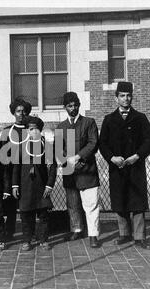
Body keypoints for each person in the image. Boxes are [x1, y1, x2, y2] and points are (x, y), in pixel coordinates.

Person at [99, 81, 150, 250]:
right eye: (122, 96)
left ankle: (140, 237)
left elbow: (148, 141)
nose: (126, 99)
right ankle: (124, 234)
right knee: (120, 199)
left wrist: (137, 156)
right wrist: (111, 157)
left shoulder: (140, 118)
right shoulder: (109, 120)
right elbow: (103, 144)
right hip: (117, 168)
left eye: (128, 95)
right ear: (116, 98)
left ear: (132, 97)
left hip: (136, 167)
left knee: (137, 201)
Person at [55, 92, 101, 248]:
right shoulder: (61, 127)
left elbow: (93, 143)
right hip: (70, 171)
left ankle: (93, 234)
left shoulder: (89, 123)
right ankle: (77, 229)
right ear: (65, 107)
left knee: (91, 204)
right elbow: (58, 149)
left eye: (75, 105)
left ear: (79, 105)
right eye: (69, 106)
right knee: (72, 203)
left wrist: (78, 157)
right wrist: (66, 161)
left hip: (87, 169)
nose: (73, 108)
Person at [12, 116, 57, 251]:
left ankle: (43, 239)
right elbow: (16, 168)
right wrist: (15, 185)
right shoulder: (20, 147)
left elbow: (53, 167)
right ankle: (27, 240)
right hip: (25, 185)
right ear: (27, 131)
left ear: (40, 131)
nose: (34, 132)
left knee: (43, 214)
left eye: (36, 129)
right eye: (31, 129)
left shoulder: (47, 146)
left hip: (41, 185)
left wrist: (49, 184)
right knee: (26, 214)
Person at [0, 97, 32, 241]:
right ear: (13, 113)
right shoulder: (6, 132)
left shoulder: (31, 130)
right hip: (10, 171)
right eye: (18, 111)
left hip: (27, 172)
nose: (21, 114)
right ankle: (9, 231)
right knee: (10, 205)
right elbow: (2, 155)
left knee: (28, 203)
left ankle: (30, 232)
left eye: (24, 111)